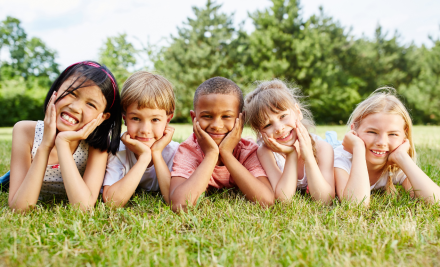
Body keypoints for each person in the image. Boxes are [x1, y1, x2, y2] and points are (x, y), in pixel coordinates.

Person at [8, 61, 122, 212]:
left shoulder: (97, 145)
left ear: (103, 117)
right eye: (72, 93)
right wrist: (45, 146)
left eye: (91, 104)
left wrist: (62, 143)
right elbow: (19, 207)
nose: (75, 107)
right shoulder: (25, 131)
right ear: (56, 89)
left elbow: (83, 207)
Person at [169, 77, 273, 212]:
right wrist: (212, 154)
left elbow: (266, 201)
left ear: (241, 119)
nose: (217, 126)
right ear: (194, 118)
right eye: (207, 116)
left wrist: (226, 154)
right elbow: (179, 205)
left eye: (226, 117)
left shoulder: (247, 151)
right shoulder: (188, 150)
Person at [334, 88, 440, 206]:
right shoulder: (342, 158)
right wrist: (358, 148)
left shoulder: (396, 165)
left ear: (404, 134)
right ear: (354, 129)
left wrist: (402, 157)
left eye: (393, 134)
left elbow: (435, 200)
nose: (381, 142)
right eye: (372, 132)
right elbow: (355, 204)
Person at [244, 79, 335, 204]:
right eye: (267, 125)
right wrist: (290, 154)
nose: (279, 128)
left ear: (298, 112)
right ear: (260, 132)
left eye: (283, 116)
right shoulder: (265, 152)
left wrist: (308, 156)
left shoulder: (323, 148)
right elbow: (284, 199)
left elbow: (325, 199)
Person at [102, 71, 178, 207]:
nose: (145, 130)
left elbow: (173, 200)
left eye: (155, 119)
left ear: (168, 120)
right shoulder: (117, 149)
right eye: (136, 118)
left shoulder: (175, 152)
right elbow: (111, 202)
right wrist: (144, 158)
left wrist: (156, 153)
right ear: (124, 118)